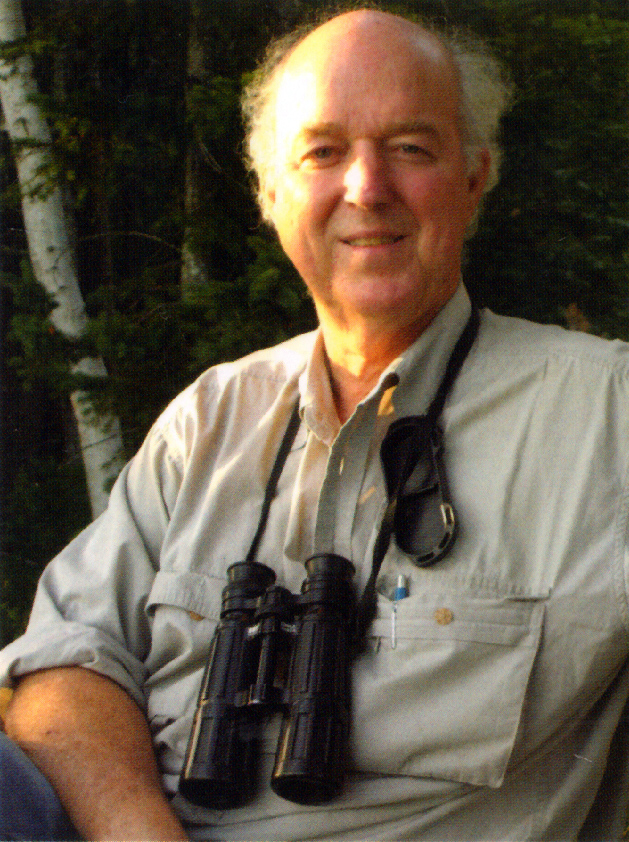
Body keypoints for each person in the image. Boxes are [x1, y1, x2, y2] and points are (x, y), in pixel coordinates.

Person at [1, 7, 628, 841]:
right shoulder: (207, 419)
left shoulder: (602, 413)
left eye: (410, 147)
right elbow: (66, 663)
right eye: (322, 152)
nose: (366, 187)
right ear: (270, 194)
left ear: (474, 175)